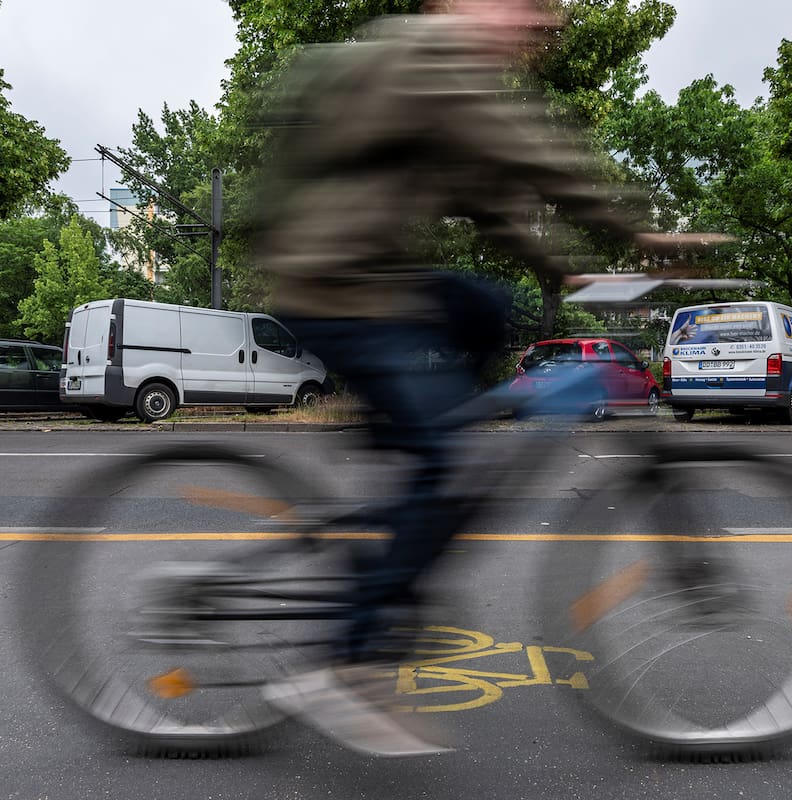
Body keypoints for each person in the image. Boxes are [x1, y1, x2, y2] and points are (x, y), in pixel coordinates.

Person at [256, 0, 724, 756]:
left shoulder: (442, 88)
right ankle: (345, 663)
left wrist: (568, 271)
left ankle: (413, 439)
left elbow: (493, 202)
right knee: (447, 465)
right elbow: (533, 158)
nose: (536, 24)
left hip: (375, 277)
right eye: (519, 7)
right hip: (335, 288)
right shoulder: (429, 57)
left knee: (486, 305)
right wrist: (640, 233)